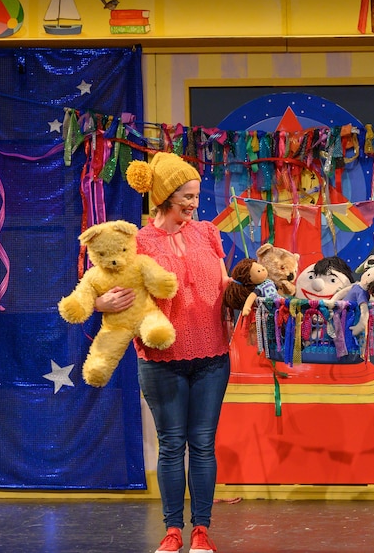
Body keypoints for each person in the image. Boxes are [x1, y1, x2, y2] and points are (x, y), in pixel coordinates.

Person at [96, 151, 231, 553]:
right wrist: (103, 304)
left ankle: (201, 531)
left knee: (203, 444)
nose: (194, 203)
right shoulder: (136, 241)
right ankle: (173, 531)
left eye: (196, 196)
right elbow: (97, 287)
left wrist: (252, 293)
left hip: (212, 355)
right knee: (172, 444)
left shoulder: (208, 232)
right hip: (161, 360)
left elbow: (224, 284)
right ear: (164, 195)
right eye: (186, 196)